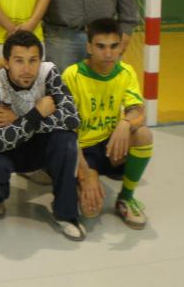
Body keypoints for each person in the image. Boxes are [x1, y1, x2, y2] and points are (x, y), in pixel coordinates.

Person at [0, 30, 85, 240]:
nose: (27, 69)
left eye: (33, 60)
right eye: (19, 61)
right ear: (6, 63)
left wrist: (18, 117)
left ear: (40, 61)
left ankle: (66, 213)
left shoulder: (49, 72)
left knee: (67, 140)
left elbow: (72, 118)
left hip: (37, 145)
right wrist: (36, 113)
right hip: (6, 151)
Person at [62, 18, 153, 229]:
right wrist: (86, 174)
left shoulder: (125, 72)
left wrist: (125, 123)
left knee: (143, 134)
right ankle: (85, 179)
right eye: (101, 46)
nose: (108, 53)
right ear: (89, 47)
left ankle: (126, 198)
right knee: (90, 211)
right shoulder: (72, 75)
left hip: (110, 146)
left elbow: (138, 112)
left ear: (121, 46)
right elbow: (67, 131)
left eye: (114, 46)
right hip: (82, 150)